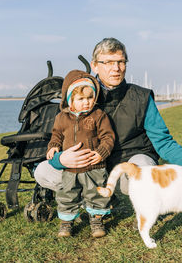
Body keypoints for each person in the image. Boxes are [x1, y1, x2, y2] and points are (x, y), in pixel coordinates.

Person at [34, 37, 182, 222]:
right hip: (91, 167)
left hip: (128, 163)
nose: (116, 68)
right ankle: (92, 202)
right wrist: (60, 159)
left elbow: (164, 142)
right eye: (109, 62)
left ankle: (150, 204)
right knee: (43, 171)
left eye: (121, 62)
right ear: (95, 66)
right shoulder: (78, 96)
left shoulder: (141, 97)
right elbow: (59, 136)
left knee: (144, 168)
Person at [47, 69, 115, 238]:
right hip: (70, 168)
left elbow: (108, 137)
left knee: (95, 194)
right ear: (70, 100)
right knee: (67, 194)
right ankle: (66, 222)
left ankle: (97, 220)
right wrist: (54, 145)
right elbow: (56, 134)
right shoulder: (62, 118)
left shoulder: (99, 115)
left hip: (94, 165)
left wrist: (102, 152)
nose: (87, 102)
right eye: (81, 99)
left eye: (90, 98)